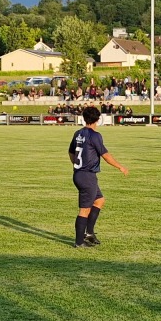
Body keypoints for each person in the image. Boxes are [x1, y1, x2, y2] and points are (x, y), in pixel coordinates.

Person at [68, 106, 127, 248]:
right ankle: (79, 242)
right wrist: (120, 166)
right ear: (98, 119)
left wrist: (77, 165)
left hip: (80, 174)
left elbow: (71, 152)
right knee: (84, 210)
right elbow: (105, 155)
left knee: (99, 200)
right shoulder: (95, 135)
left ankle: (89, 233)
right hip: (87, 176)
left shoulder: (78, 133)